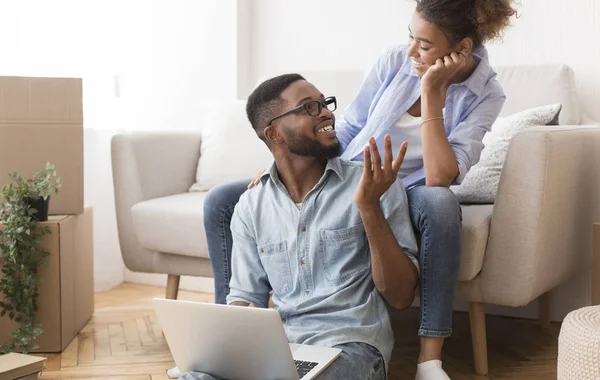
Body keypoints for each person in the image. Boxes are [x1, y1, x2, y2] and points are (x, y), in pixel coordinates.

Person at [203, 1, 517, 379]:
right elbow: (349, 126)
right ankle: (229, 333)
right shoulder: (393, 62)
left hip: (413, 187)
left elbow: (440, 176)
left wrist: (432, 91)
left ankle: (429, 359)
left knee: (440, 203)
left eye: (424, 45)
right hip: (354, 170)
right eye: (410, 38)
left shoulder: (487, 94)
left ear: (462, 49)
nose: (411, 52)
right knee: (224, 199)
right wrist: (290, 168)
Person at [182, 74, 419, 380]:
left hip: (350, 348)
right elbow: (245, 296)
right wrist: (231, 348)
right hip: (279, 350)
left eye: (324, 103)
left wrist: (369, 209)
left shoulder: (374, 185)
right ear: (275, 134)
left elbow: (401, 297)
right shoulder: (251, 206)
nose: (326, 113)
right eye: (308, 107)